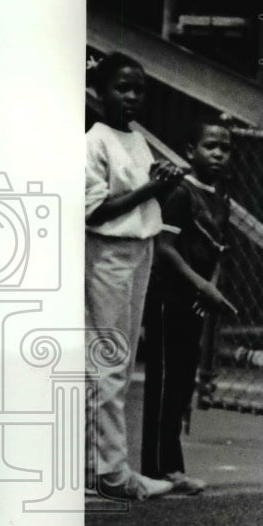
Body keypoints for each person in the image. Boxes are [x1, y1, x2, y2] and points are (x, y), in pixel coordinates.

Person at [85, 52, 184, 500]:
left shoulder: (135, 139)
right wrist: (151, 187)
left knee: (119, 365)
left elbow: (142, 198)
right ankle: (108, 471)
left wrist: (159, 180)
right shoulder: (95, 141)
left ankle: (105, 467)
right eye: (121, 88)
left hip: (137, 249)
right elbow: (95, 210)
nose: (131, 97)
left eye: (138, 89)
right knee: (108, 362)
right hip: (108, 253)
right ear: (99, 93)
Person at [140, 116, 238, 494]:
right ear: (189, 152)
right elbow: (163, 249)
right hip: (170, 298)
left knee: (181, 384)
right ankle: (156, 467)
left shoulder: (221, 198)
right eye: (209, 146)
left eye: (224, 148)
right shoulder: (181, 193)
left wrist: (211, 287)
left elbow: (217, 251)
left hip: (195, 301)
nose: (217, 153)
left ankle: (171, 468)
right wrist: (202, 286)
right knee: (164, 384)